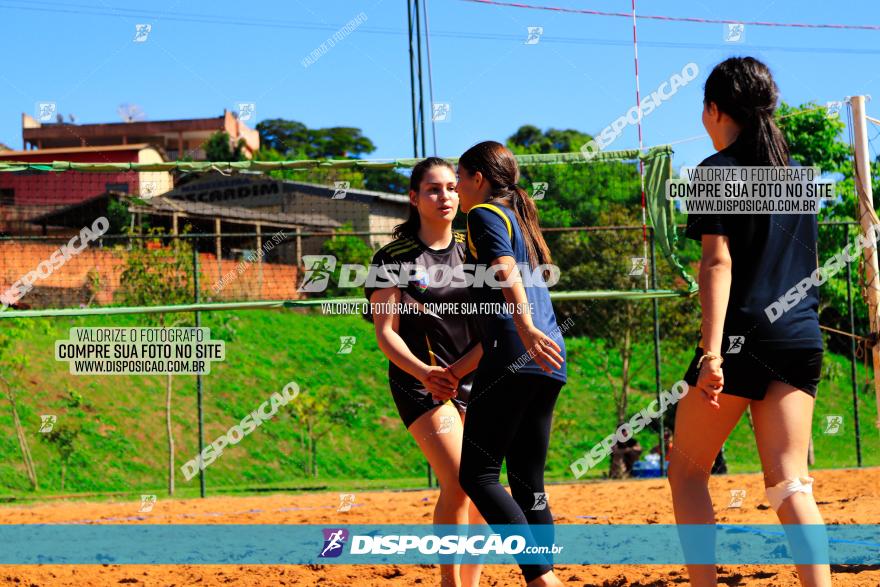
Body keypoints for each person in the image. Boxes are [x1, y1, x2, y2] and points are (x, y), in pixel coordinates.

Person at [668, 57, 831, 587]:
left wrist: (711, 354)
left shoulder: (715, 172)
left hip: (740, 337)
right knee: (790, 484)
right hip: (801, 334)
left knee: (687, 471)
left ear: (715, 110)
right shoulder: (797, 177)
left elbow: (718, 263)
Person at [366, 157, 485, 587]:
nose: (445, 196)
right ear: (414, 198)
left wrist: (462, 368)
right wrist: (425, 373)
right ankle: (449, 583)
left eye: (452, 187)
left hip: (473, 374)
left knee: (481, 487)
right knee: (458, 478)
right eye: (434, 189)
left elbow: (493, 324)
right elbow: (385, 333)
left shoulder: (476, 249)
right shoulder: (392, 257)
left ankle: (468, 583)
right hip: (419, 381)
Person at [454, 141, 567, 587]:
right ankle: (546, 573)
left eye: (460, 177)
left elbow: (504, 269)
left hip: (516, 352)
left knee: (477, 475)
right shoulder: (522, 218)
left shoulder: (483, 214)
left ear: (478, 179)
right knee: (527, 481)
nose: (458, 187)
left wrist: (522, 328)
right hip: (549, 358)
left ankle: (543, 580)